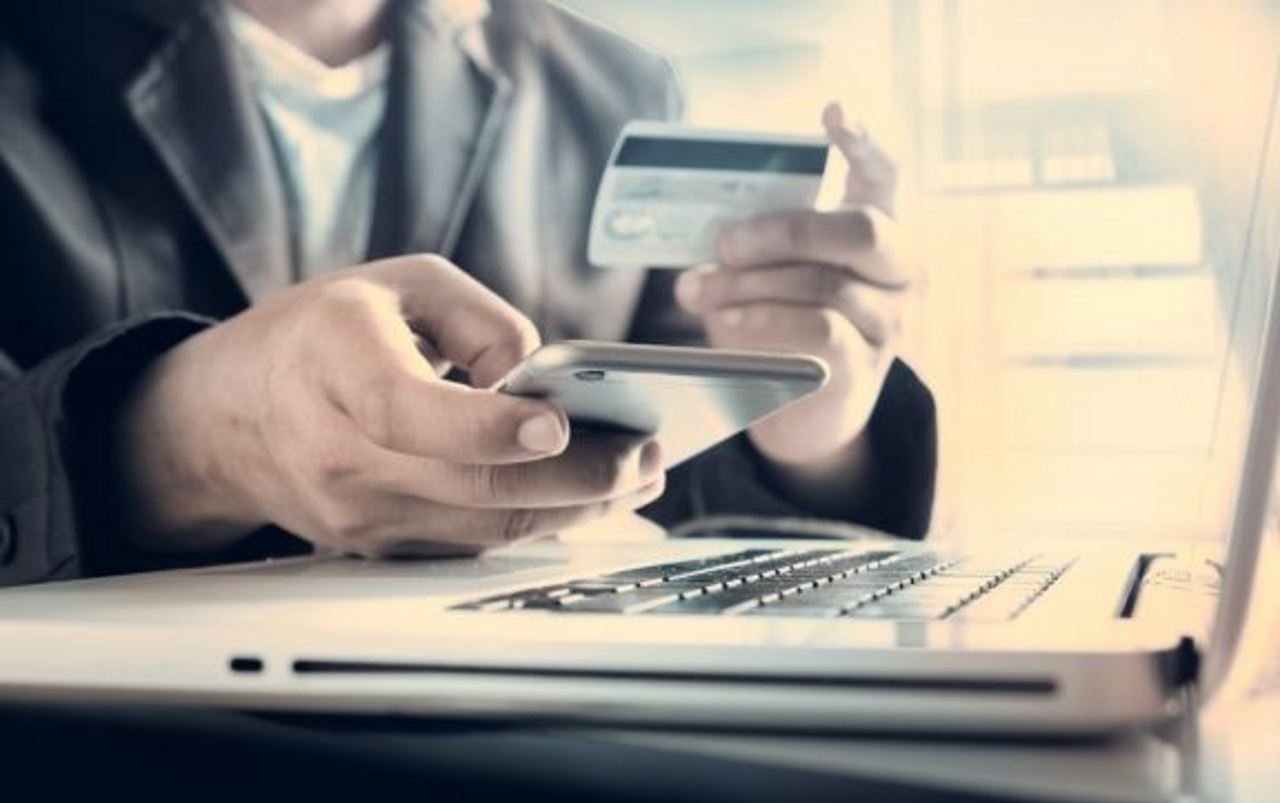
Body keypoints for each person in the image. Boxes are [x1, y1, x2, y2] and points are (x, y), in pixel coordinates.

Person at [0, 0, 937, 585]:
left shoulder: (614, 85)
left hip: (536, 730)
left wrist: (807, 437)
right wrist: (186, 442)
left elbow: (676, 508)